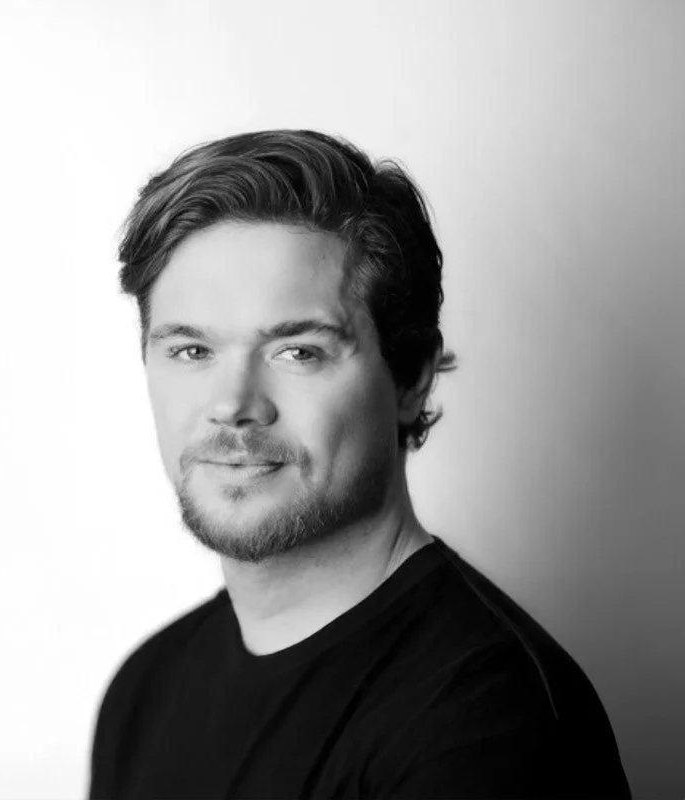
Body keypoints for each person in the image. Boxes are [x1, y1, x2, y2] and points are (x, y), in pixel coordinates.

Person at [88, 129, 631, 799]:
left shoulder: (487, 728)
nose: (233, 406)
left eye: (298, 351)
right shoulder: (145, 691)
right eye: (192, 351)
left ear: (411, 378)